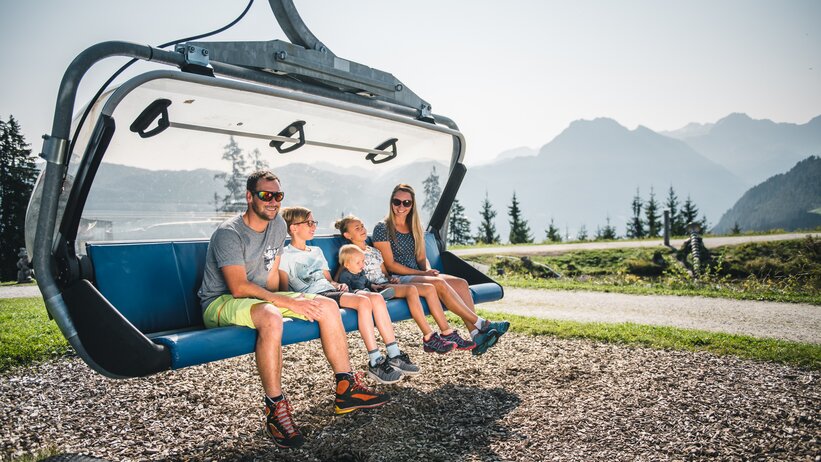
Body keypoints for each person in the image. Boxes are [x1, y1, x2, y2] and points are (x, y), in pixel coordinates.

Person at [197, 170, 389, 450]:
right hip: (220, 301)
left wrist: (294, 296)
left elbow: (271, 278)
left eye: (278, 196)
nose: (273, 201)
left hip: (258, 298)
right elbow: (238, 287)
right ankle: (276, 409)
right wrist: (286, 302)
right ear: (250, 197)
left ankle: (346, 388)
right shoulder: (230, 233)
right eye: (266, 195)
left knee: (325, 305)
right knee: (272, 316)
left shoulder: (276, 227)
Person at [278, 206, 420, 386]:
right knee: (363, 302)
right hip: (314, 296)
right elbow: (284, 289)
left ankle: (394, 354)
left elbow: (329, 281)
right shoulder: (285, 255)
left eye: (314, 222)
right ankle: (375, 360)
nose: (314, 226)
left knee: (376, 298)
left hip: (329, 291)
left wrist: (339, 284)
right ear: (293, 228)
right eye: (309, 222)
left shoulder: (316, 252)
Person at [372, 184, 510, 355]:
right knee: (437, 283)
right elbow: (391, 265)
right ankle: (482, 324)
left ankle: (475, 334)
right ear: (391, 202)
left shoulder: (415, 226)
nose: (401, 207)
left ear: (412, 205)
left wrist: (428, 270)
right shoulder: (382, 228)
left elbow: (422, 258)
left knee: (461, 283)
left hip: (418, 274)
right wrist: (423, 274)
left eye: (406, 203)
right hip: (399, 278)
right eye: (397, 202)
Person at [335, 216, 472, 354]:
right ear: (347, 235)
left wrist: (391, 279)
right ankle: (429, 337)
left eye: (362, 226)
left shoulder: (374, 251)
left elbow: (385, 274)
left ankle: (447, 332)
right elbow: (340, 275)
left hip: (386, 283)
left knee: (430, 288)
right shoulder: (349, 253)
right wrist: (339, 285)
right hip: (373, 288)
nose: (362, 229)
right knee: (411, 290)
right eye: (357, 228)